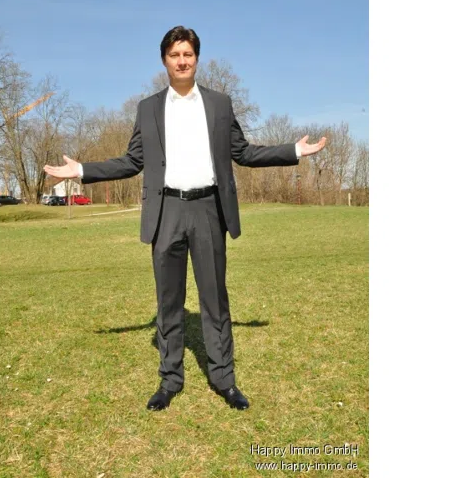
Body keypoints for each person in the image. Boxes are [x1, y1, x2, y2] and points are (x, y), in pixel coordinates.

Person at [44, 26, 326, 411]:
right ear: (164, 60)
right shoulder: (148, 109)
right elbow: (132, 161)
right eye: (175, 55)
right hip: (166, 212)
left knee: (214, 299)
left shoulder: (219, 104)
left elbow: (244, 152)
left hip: (209, 209)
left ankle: (224, 380)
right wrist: (82, 170)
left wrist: (292, 150)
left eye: (188, 54)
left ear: (197, 59)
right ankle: (170, 380)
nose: (182, 61)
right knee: (168, 302)